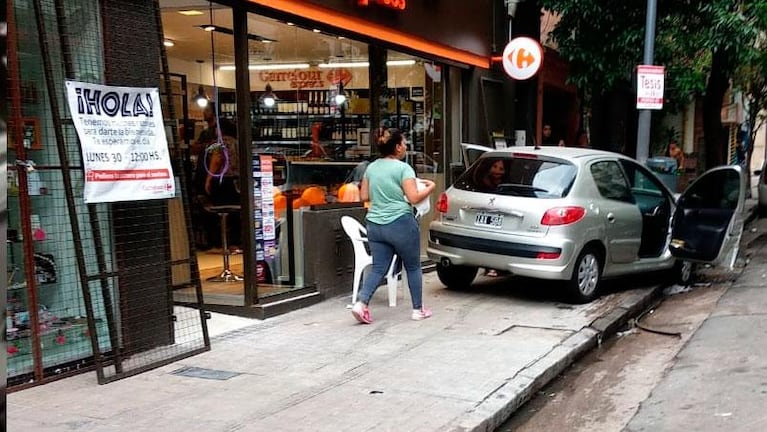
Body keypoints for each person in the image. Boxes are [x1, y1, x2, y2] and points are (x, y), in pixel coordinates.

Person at [351, 129, 436, 324]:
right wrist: (430, 188)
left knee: (379, 267)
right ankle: (417, 310)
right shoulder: (404, 169)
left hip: (375, 224)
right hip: (400, 223)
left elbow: (364, 196)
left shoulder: (371, 168)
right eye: (404, 143)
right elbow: (414, 198)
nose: (406, 146)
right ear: (397, 147)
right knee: (413, 266)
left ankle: (361, 303)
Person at [192, 102, 241, 251]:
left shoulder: (220, 142)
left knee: (218, 212)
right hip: (236, 182)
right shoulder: (237, 142)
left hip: (222, 181)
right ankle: (234, 243)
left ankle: (220, 244)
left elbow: (216, 159)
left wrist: (208, 179)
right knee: (234, 214)